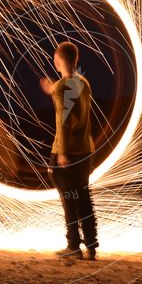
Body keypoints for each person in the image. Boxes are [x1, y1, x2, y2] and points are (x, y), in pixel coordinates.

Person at [39, 41, 99, 261]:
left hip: (67, 152)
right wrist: (51, 88)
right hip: (85, 150)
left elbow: (64, 121)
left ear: (57, 60)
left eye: (54, 58)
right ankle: (91, 246)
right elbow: (66, 89)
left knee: (68, 198)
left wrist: (62, 153)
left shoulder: (62, 87)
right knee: (83, 196)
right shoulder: (83, 82)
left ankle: (73, 244)